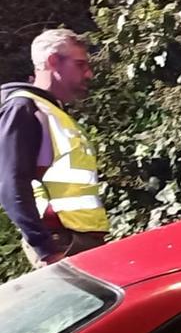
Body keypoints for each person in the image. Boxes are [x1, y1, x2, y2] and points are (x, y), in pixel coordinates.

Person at [0, 28, 108, 267]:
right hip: (61, 243)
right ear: (52, 61)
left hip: (79, 239)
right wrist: (46, 250)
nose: (88, 74)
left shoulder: (52, 111)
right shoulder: (24, 108)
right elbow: (10, 183)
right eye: (80, 65)